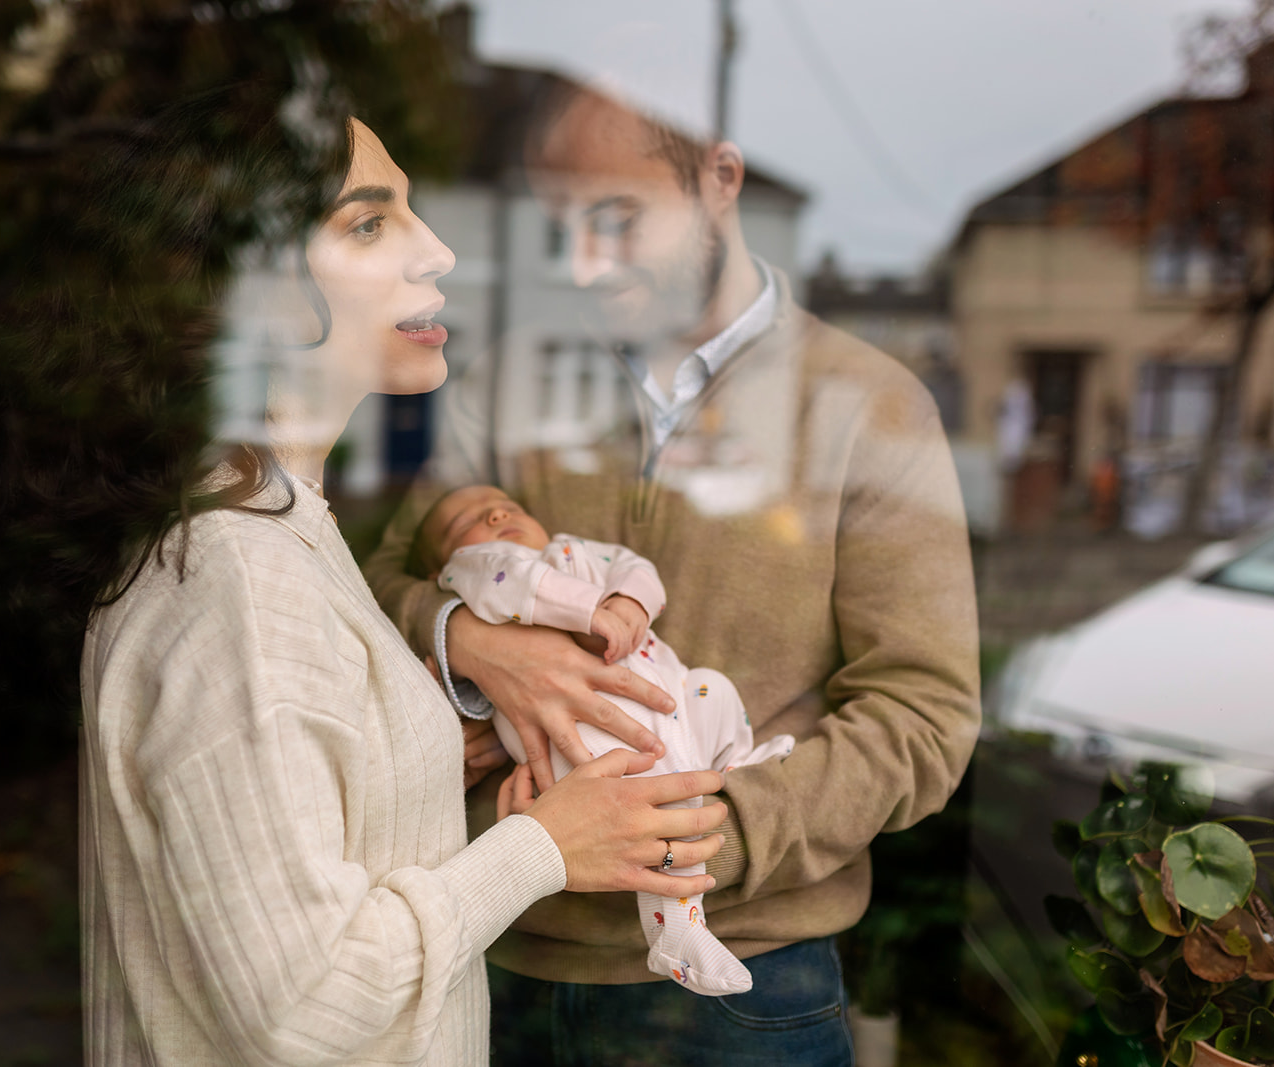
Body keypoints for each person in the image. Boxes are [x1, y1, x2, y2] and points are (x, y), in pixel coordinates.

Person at [65, 89, 728, 1067]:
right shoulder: (237, 581)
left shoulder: (282, 526)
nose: (437, 251)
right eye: (370, 221)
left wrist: (422, 748)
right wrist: (544, 845)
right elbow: (306, 1008)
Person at [363, 82, 981, 1065]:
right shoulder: (505, 381)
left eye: (616, 219)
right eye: (559, 227)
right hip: (494, 951)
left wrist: (692, 839)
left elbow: (922, 717)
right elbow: (377, 590)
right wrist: (466, 641)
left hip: (745, 985)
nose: (581, 264)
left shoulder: (872, 407)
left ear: (719, 181)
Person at [412, 483, 796, 996]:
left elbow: (635, 568)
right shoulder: (475, 577)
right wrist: (590, 610)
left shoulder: (573, 550)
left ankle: (736, 764)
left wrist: (630, 602)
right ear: (446, 564)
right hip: (585, 741)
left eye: (509, 505)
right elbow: (517, 581)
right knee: (653, 800)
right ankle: (677, 931)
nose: (497, 512)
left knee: (715, 690)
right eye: (469, 521)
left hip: (671, 698)